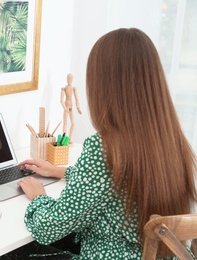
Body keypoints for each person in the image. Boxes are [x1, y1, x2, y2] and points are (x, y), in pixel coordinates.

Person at [15, 28, 197, 259]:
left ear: (103, 85)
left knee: (16, 252)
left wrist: (38, 195)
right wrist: (61, 171)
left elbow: (48, 227)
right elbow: (117, 183)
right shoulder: (170, 139)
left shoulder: (105, 148)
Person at [60, 73, 82, 143]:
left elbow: (77, 99)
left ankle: (69, 138)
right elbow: (61, 100)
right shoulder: (64, 88)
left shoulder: (73, 88)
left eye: (71, 79)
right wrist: (65, 108)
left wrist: (78, 108)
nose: (69, 80)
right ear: (66, 79)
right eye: (68, 78)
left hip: (71, 107)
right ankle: (63, 138)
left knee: (73, 123)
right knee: (65, 123)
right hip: (66, 107)